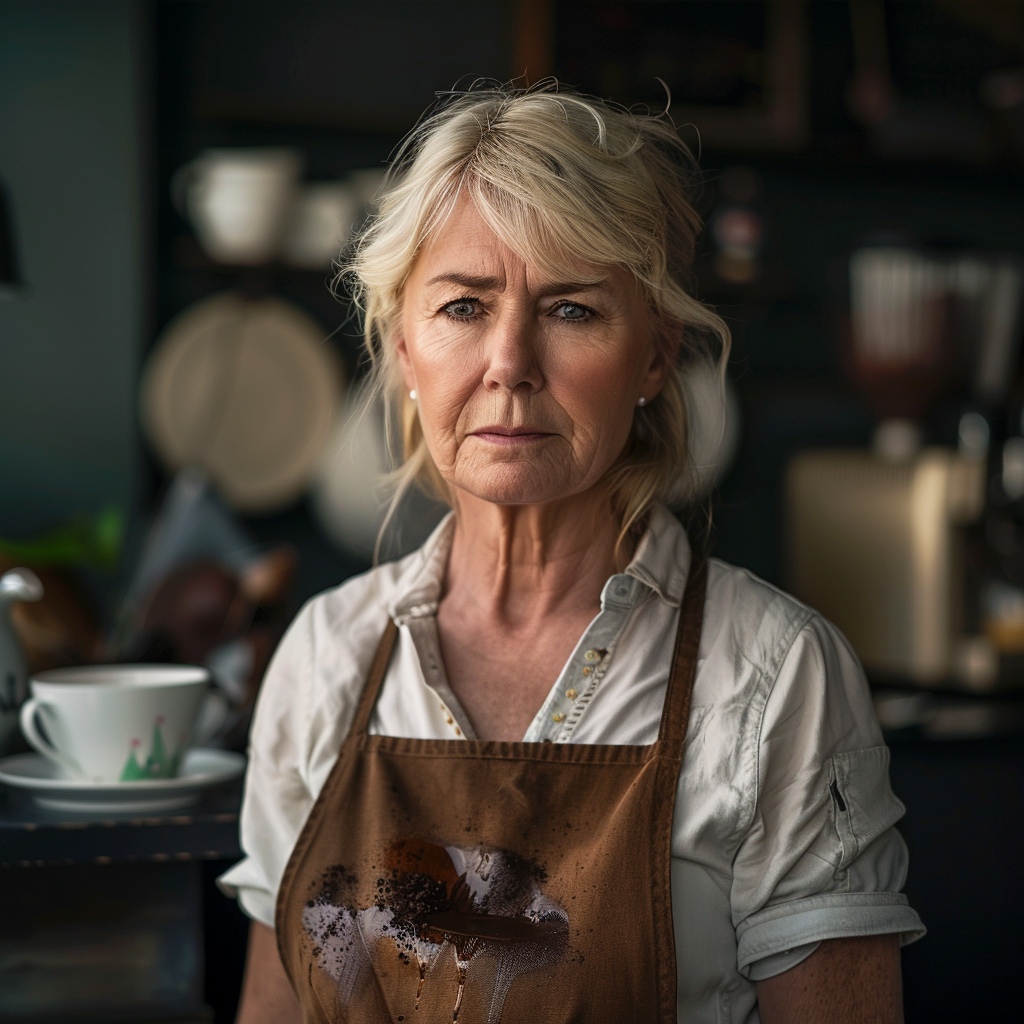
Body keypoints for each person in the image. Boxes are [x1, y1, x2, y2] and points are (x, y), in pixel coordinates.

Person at [219, 82, 924, 1024]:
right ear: (403, 351)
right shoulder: (324, 658)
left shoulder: (775, 675)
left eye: (573, 310)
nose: (509, 361)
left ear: (654, 358)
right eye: (464, 307)